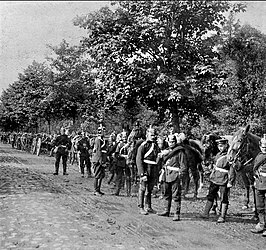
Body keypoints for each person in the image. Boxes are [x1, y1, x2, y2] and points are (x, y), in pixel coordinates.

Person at [200, 138, 236, 223]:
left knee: (224, 198)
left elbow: (232, 169)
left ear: (226, 145)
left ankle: (222, 216)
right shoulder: (218, 154)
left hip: (224, 179)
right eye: (219, 146)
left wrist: (230, 181)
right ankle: (206, 213)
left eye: (222, 146)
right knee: (211, 195)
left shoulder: (229, 155)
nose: (220, 148)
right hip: (215, 178)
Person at [157, 134, 187, 221]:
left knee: (176, 195)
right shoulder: (165, 151)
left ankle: (176, 213)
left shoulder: (180, 152)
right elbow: (159, 162)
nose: (171, 143)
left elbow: (183, 165)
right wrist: (160, 156)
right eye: (170, 141)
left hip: (175, 175)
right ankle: (166, 211)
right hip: (166, 174)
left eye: (173, 141)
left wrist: (181, 176)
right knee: (166, 193)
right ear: (167, 142)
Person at [136, 126, 160, 215]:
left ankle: (148, 206)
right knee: (142, 188)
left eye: (154, 135)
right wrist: (142, 173)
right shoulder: (143, 146)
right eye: (151, 134)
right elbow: (139, 160)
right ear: (147, 134)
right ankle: (141, 207)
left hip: (153, 169)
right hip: (146, 169)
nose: (153, 137)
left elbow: (157, 158)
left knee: (149, 189)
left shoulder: (156, 146)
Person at [251, 134, 266, 236]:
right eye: (263, 146)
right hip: (259, 183)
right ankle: (261, 224)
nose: (264, 148)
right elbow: (255, 169)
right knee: (259, 205)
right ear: (260, 146)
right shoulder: (259, 156)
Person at [91, 126, 108, 196]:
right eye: (103, 131)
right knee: (97, 175)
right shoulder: (98, 140)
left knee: (101, 175)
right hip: (98, 160)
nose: (104, 132)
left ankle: (99, 189)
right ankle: (95, 190)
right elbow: (98, 151)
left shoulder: (102, 140)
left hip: (102, 159)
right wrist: (101, 162)